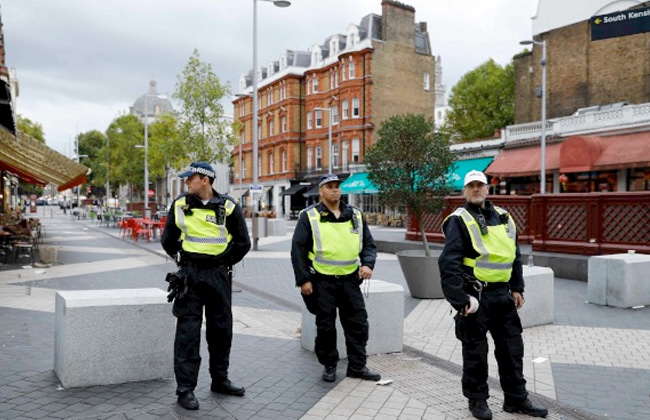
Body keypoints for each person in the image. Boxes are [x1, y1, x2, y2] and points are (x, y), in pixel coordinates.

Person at [438, 170, 548, 420]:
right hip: (476, 297)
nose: (476, 189)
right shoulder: (459, 219)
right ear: (464, 191)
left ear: (488, 189)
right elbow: (449, 263)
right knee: (475, 353)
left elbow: (514, 255)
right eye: (471, 186)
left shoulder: (505, 218)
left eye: (480, 185)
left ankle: (516, 399)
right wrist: (460, 300)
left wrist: (517, 288)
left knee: (512, 350)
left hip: (503, 296)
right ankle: (477, 401)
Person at [161, 162, 251, 411]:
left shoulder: (229, 206)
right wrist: (183, 260)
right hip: (190, 275)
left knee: (221, 330)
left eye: (190, 178)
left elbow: (243, 243)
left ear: (205, 179)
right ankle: (185, 389)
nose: (186, 182)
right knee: (187, 333)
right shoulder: (180, 204)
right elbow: (168, 239)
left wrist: (222, 261)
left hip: (219, 276)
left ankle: (220, 380)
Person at [291, 174, 381, 383]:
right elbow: (298, 250)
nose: (335, 190)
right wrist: (304, 280)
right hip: (322, 281)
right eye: (329, 187)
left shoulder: (356, 215)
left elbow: (368, 244)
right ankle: (329, 365)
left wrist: (367, 264)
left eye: (337, 187)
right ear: (320, 191)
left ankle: (357, 366)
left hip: (350, 280)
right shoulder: (310, 216)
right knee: (326, 326)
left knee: (358, 324)